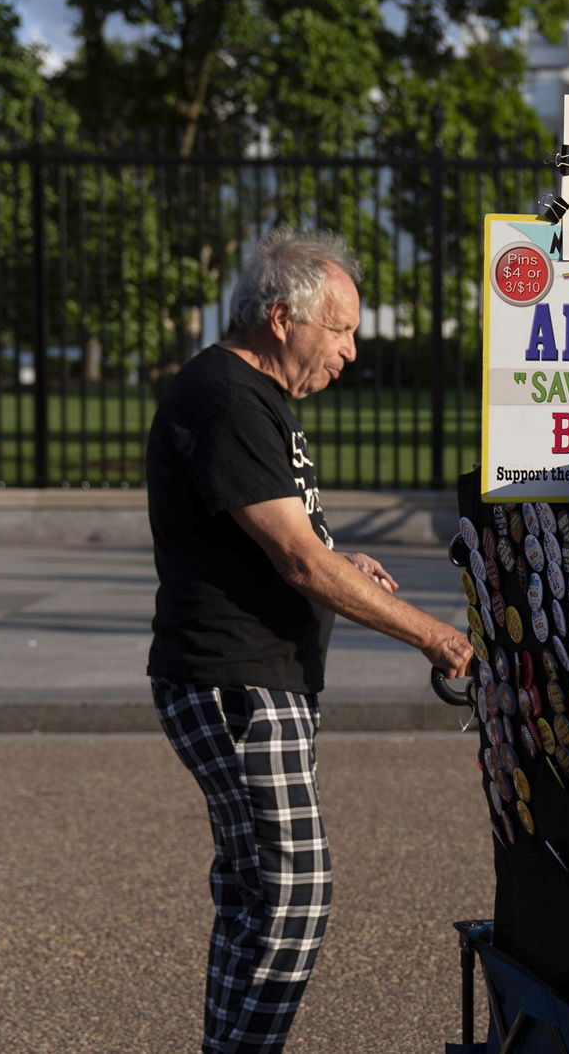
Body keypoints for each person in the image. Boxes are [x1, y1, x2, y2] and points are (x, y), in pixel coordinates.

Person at [145, 228, 473, 1054]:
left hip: (251, 676)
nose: (351, 352)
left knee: (256, 890)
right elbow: (297, 561)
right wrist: (437, 636)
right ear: (283, 317)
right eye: (341, 329)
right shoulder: (226, 397)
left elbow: (287, 538)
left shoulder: (252, 399)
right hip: (237, 680)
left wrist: (341, 558)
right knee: (293, 893)